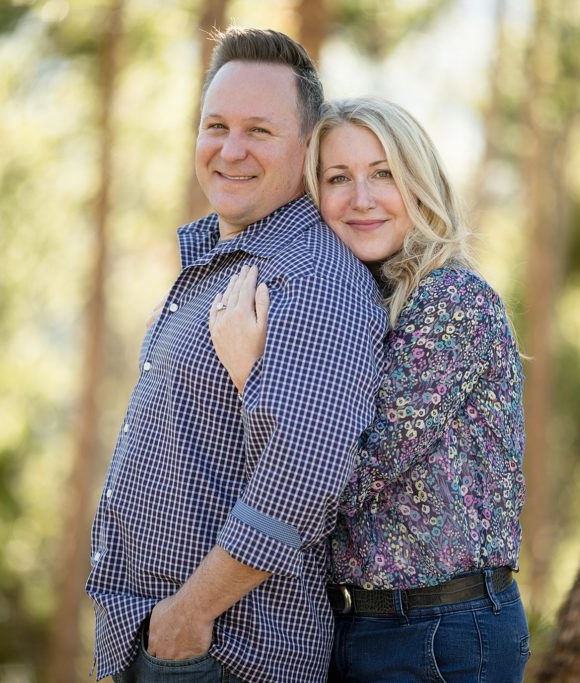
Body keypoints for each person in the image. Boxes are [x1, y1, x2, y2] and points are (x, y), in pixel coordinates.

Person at [85, 28, 388, 682]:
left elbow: (304, 473)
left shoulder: (313, 279)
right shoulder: (232, 263)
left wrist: (187, 617)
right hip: (170, 644)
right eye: (215, 125)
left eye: (259, 130)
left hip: (226, 654)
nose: (230, 149)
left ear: (308, 147)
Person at [210, 97, 529, 682]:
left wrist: (250, 375)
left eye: (383, 174)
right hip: (362, 625)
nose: (361, 198)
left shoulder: (453, 302)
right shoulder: (361, 306)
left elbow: (348, 474)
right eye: (338, 178)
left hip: (441, 634)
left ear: (419, 183)